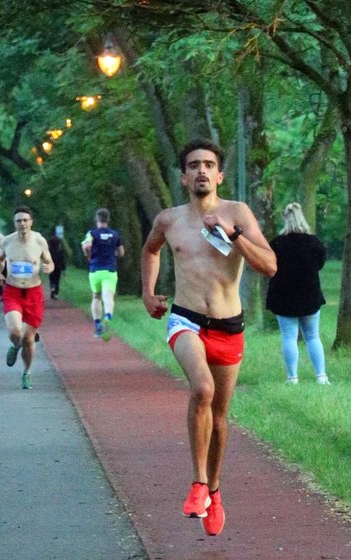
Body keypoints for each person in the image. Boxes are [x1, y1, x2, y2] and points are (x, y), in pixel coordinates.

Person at [141, 139, 276, 537]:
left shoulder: (238, 213)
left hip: (228, 324)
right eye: (194, 165)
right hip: (186, 320)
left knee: (219, 417)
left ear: (219, 175)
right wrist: (148, 292)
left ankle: (214, 490)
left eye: (209, 164)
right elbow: (151, 251)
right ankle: (198, 482)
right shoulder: (169, 220)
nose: (201, 170)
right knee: (201, 389)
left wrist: (233, 235)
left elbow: (269, 265)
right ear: (183, 177)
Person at [266, 202, 330, 385]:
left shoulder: (277, 244)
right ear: (302, 217)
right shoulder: (315, 243)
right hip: (310, 296)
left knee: (288, 337)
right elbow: (320, 265)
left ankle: (292, 377)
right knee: (312, 336)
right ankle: (321, 376)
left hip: (283, 297)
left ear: (285, 219)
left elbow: (270, 266)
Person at [0, 206, 54, 390]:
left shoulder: (39, 241)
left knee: (28, 339)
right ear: (14, 223)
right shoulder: (7, 241)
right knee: (15, 332)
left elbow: (49, 262)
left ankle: (26, 373)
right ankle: (15, 345)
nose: (22, 224)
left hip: (33, 293)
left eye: (25, 220)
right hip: (12, 291)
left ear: (31, 222)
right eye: (18, 221)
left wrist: (49, 268)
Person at [81, 208, 125, 340]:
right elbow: (121, 253)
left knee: (96, 297)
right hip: (110, 271)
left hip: (95, 270)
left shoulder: (92, 233)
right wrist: (114, 253)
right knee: (108, 297)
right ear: (108, 219)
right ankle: (108, 317)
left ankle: (98, 325)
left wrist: (88, 255)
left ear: (96, 219)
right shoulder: (115, 234)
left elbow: (86, 246)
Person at [47, 227, 67, 300]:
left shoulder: (49, 250)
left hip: (50, 266)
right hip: (58, 267)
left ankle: (52, 288)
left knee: (51, 278)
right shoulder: (60, 251)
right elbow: (63, 260)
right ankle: (55, 292)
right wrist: (64, 269)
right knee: (57, 279)